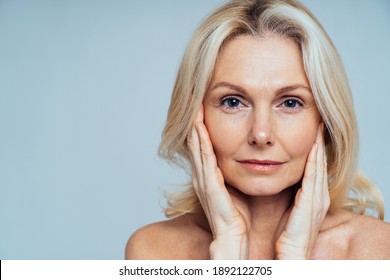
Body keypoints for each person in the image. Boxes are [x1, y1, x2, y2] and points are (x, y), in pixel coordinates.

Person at [125, 0, 390, 259]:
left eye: (290, 103)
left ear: (326, 117)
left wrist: (294, 256)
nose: (261, 135)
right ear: (195, 114)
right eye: (232, 102)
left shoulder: (375, 250)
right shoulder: (153, 251)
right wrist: (229, 245)